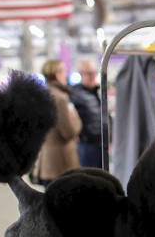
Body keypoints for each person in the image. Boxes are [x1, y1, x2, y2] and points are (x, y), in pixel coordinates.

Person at [32, 59, 81, 187]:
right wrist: (76, 120)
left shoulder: (41, 94)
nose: (66, 74)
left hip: (46, 158)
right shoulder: (60, 98)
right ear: (57, 74)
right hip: (61, 161)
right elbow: (68, 132)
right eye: (63, 71)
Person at [70, 58, 106, 168]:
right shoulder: (75, 94)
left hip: (102, 143)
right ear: (81, 74)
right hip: (87, 145)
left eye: (94, 73)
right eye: (88, 73)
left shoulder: (97, 92)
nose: (92, 76)